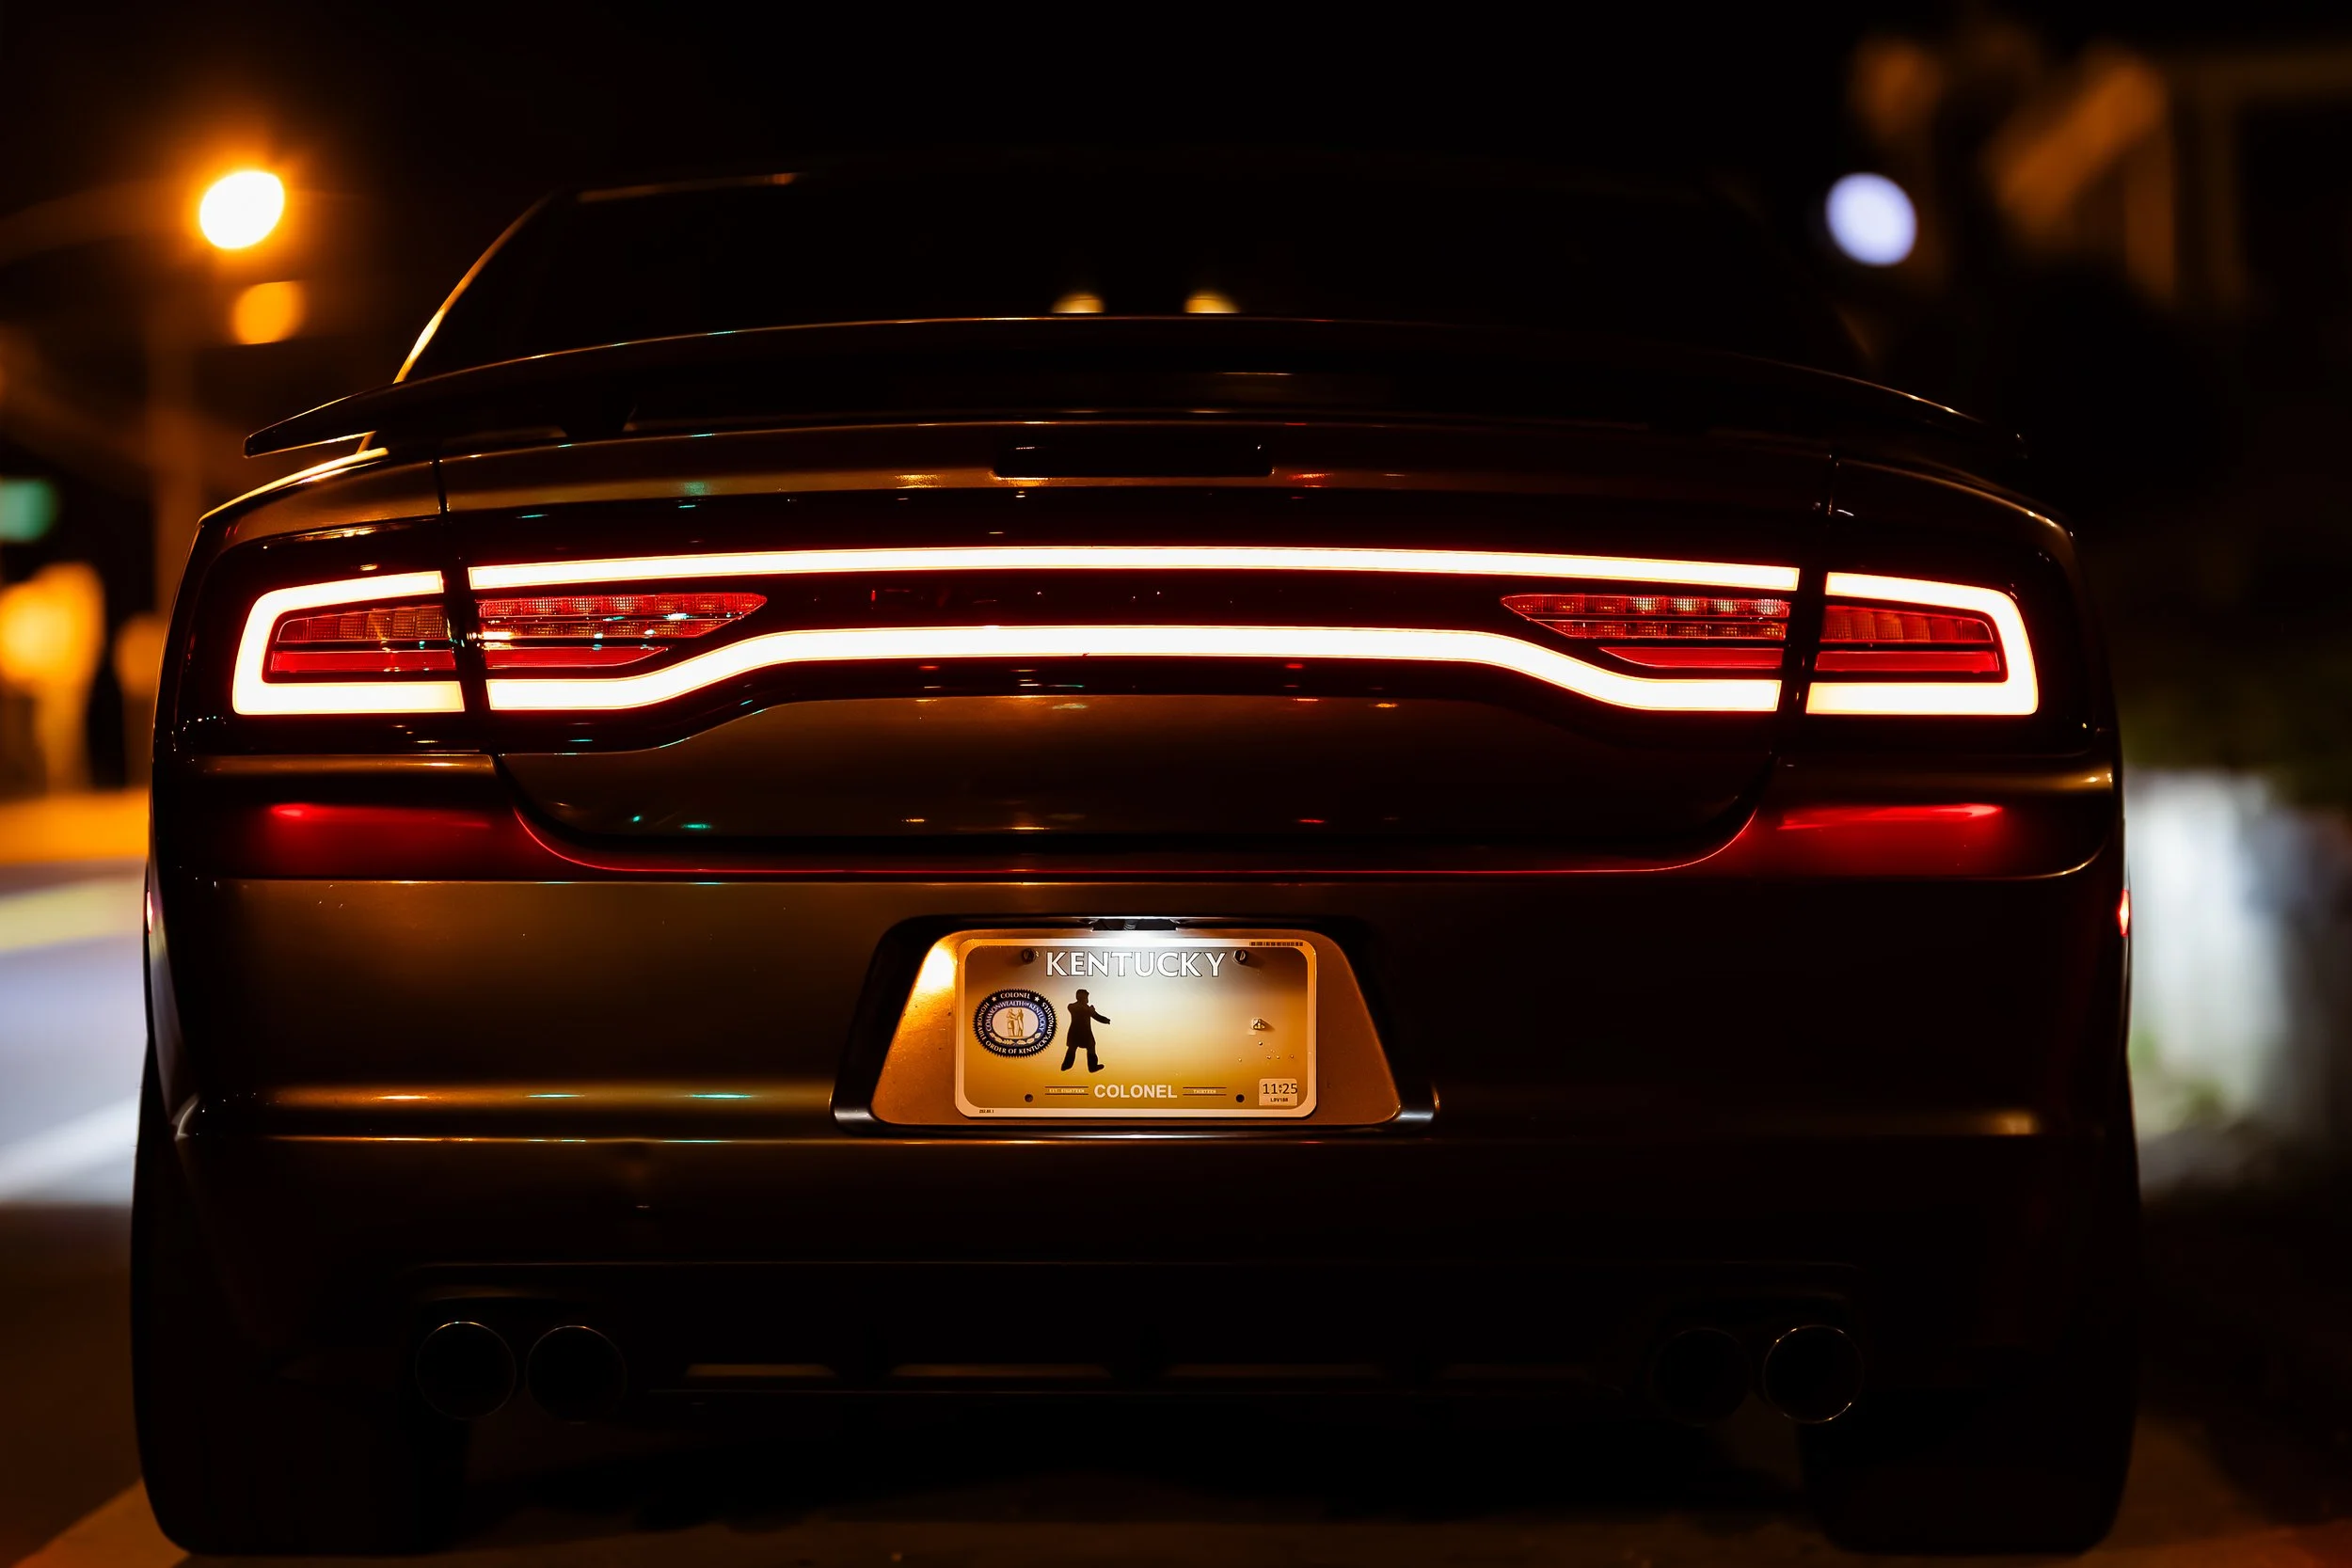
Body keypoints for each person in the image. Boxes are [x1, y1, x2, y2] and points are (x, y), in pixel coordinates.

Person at [1061, 990, 1111, 1073]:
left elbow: (1096, 1016)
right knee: (1072, 1048)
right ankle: (1066, 1065)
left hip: (1085, 1033)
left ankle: (1092, 1067)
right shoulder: (1073, 1006)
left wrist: (1106, 1020)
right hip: (1076, 1032)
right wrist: (1090, 1011)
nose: (1087, 999)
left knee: (1090, 1047)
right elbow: (1075, 1009)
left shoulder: (1087, 1008)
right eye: (1086, 997)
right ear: (1081, 997)